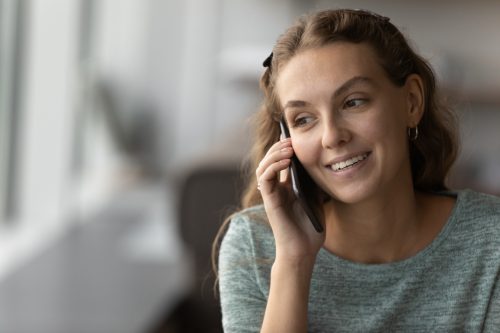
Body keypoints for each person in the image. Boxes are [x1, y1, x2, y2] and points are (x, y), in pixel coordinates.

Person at [214, 8, 500, 332]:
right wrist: (294, 262)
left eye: (353, 102)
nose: (332, 136)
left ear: (411, 102)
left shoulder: (492, 242)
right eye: (303, 119)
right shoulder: (255, 245)